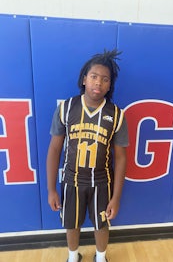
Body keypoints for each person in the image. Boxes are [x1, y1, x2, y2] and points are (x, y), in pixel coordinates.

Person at [46, 49, 129, 262]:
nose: (98, 83)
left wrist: (116, 197)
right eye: (93, 77)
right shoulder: (66, 108)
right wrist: (51, 189)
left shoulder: (117, 115)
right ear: (84, 79)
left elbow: (120, 158)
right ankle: (73, 256)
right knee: (71, 224)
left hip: (102, 182)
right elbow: (54, 149)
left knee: (102, 224)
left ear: (110, 85)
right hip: (71, 181)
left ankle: (101, 257)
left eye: (105, 79)